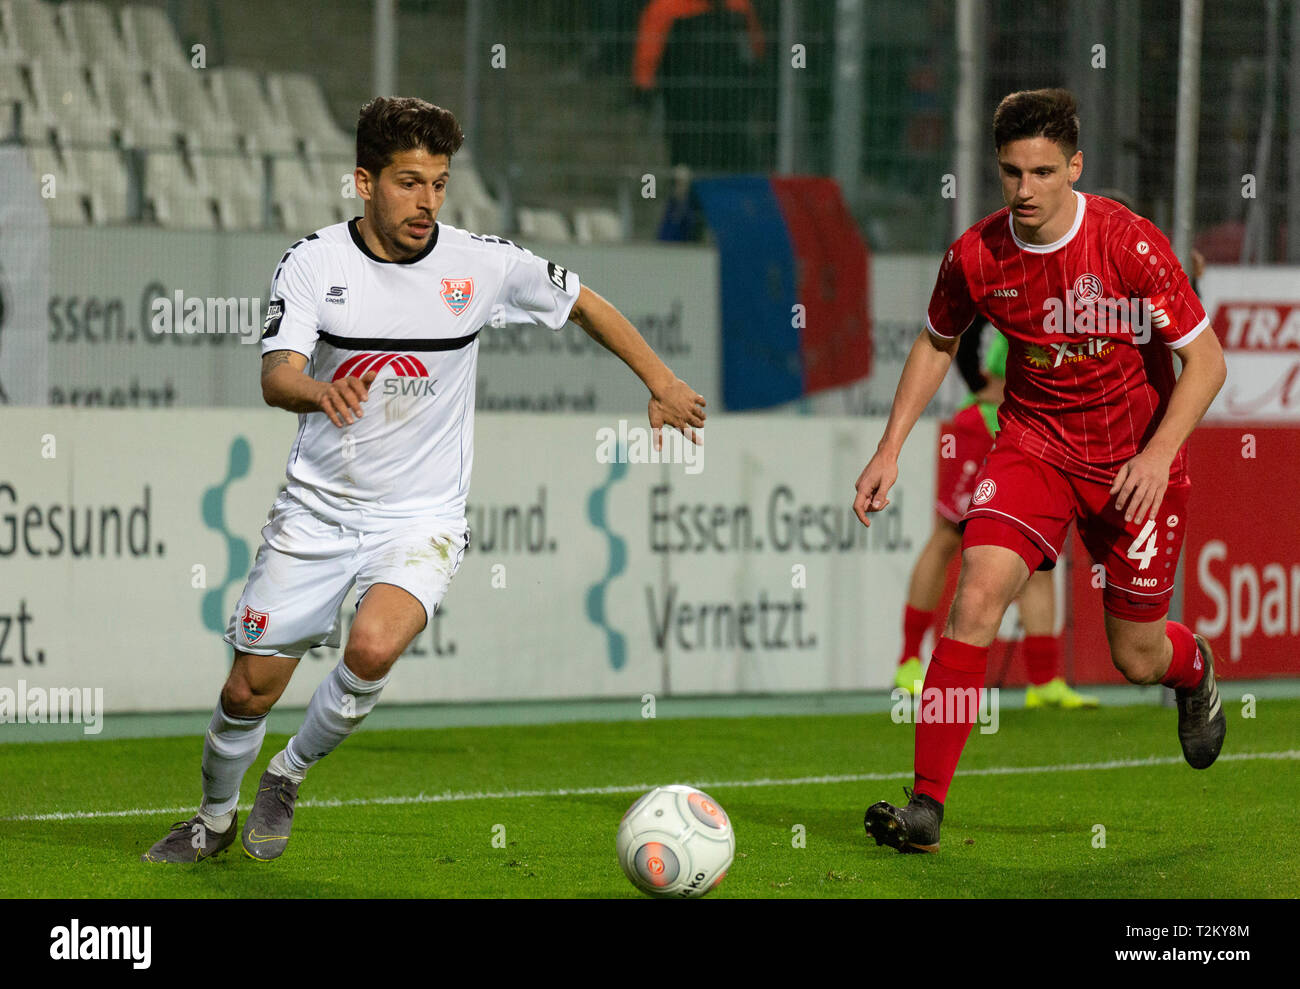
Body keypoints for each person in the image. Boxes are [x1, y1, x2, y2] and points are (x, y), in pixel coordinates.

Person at [143, 96, 707, 863]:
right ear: (364, 182)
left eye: (439, 183)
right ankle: (212, 820)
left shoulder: (478, 263)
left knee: (372, 649)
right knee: (249, 689)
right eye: (409, 182)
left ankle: (289, 770)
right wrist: (320, 390)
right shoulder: (314, 262)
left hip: (421, 516)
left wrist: (661, 380)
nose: (427, 202)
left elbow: (583, 304)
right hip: (316, 512)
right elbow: (278, 376)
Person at [853, 88, 1227, 853]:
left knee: (1136, 655)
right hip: (1034, 445)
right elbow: (935, 342)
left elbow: (1207, 362)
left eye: (1043, 172)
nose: (1025, 190)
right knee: (977, 597)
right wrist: (890, 446)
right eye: (1011, 172)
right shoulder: (978, 254)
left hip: (1135, 461)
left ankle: (1195, 672)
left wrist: (1158, 454)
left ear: (1075, 167)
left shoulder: (1128, 243)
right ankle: (926, 806)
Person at [896, 320, 1098, 710]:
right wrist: (978, 385)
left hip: (1035, 433)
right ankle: (908, 663)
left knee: (1037, 555)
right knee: (948, 537)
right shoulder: (1014, 280)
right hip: (986, 422)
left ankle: (1044, 682)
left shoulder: (1070, 293)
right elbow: (965, 329)